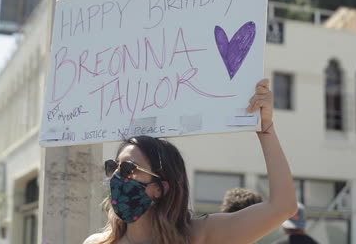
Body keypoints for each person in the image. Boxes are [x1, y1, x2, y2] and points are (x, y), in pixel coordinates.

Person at [84, 79, 297, 244]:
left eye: (129, 168)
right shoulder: (98, 242)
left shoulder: (198, 236)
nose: (118, 178)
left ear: (160, 188)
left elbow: (282, 207)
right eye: (114, 167)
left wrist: (266, 128)